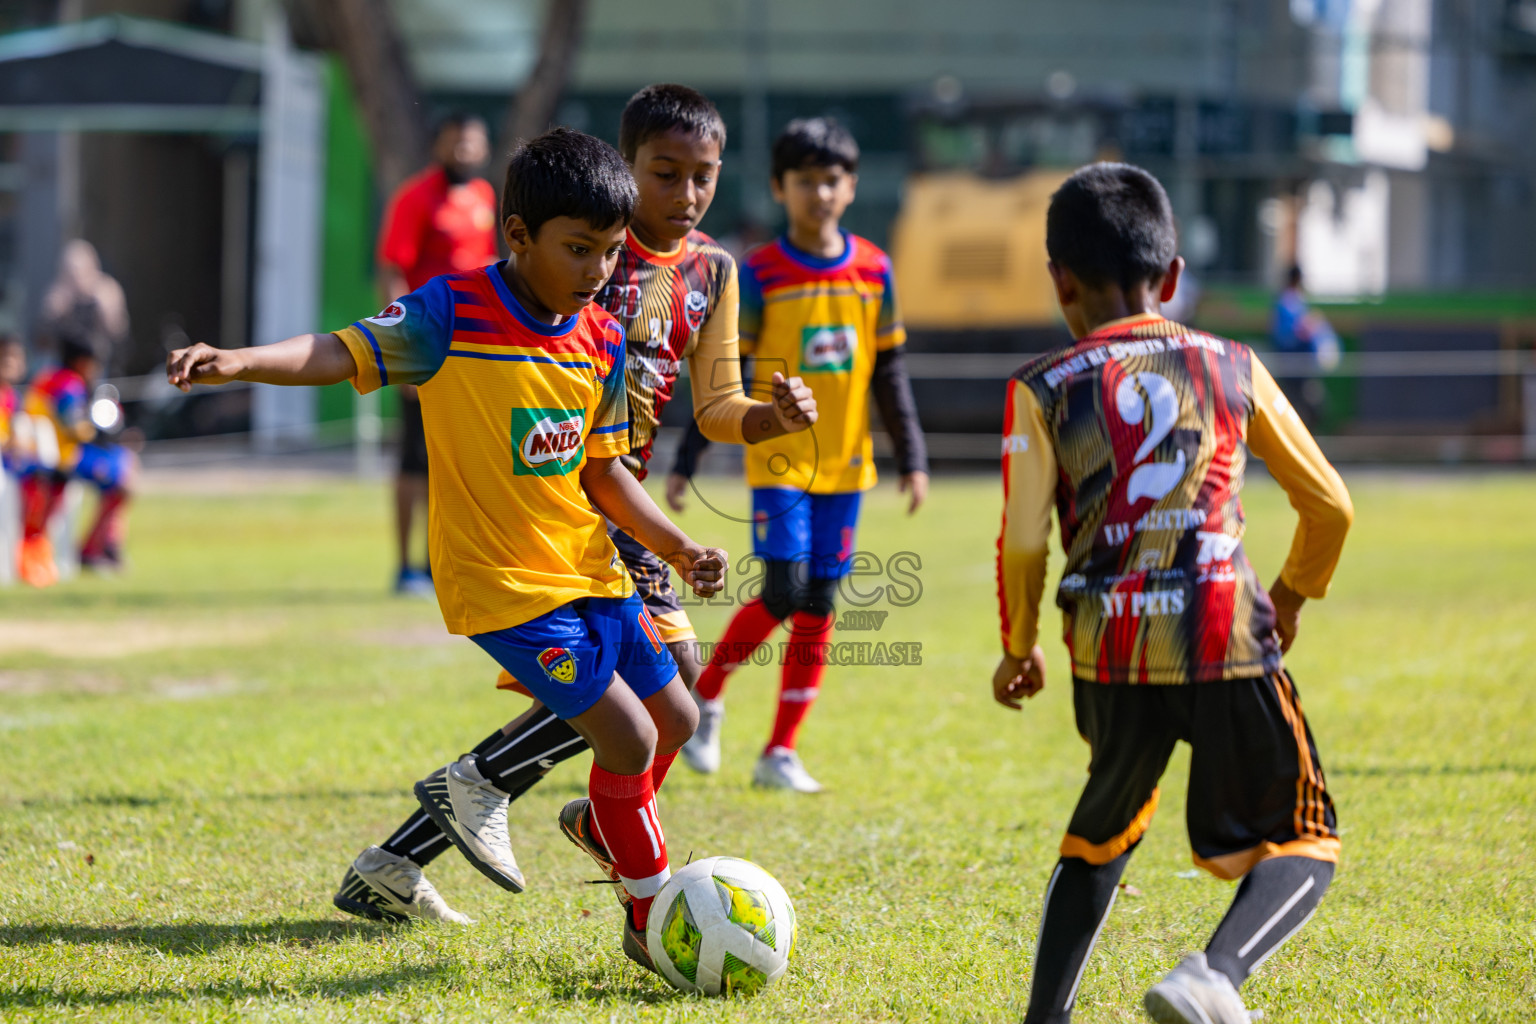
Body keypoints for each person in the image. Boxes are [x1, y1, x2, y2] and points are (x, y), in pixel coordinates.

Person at [166, 128, 813, 968]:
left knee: (678, 716)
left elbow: (605, 472)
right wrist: (239, 361)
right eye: (578, 250)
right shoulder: (449, 312)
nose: (597, 273)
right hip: (504, 585)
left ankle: (503, 834)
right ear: (518, 236)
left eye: (611, 254)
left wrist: (681, 545)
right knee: (629, 739)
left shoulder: (600, 339)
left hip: (592, 568)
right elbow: (338, 349)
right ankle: (650, 918)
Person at [340, 83, 819, 929]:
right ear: (626, 171)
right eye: (663, 175)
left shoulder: (711, 272)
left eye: (702, 176)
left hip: (618, 498)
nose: (685, 195)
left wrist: (769, 420)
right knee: (642, 703)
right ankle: (617, 870)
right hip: (565, 500)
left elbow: (715, 408)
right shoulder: (582, 243)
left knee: (638, 705)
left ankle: (400, 860)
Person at [994, 163, 1354, 1024]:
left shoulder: (1041, 386)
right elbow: (1331, 505)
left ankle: (1045, 1019)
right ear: (1176, 276)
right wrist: (1293, 595)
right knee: (1305, 838)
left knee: (1101, 833)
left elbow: (1023, 540)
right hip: (1222, 627)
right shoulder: (1232, 364)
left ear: (1059, 280)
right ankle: (1214, 975)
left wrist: (1018, 646)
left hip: (1106, 643)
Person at [674, 117, 929, 793]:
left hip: (847, 467)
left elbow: (890, 369)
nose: (821, 192)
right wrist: (686, 464)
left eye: (834, 179)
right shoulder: (756, 273)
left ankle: (779, 752)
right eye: (806, 180)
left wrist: (915, 457)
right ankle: (708, 693)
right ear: (779, 188)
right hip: (779, 464)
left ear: (852, 186)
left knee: (819, 602)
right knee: (784, 590)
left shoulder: (875, 268)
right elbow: (724, 375)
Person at [376, 112, 499, 596]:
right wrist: (401, 345)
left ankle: (441, 562)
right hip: (425, 342)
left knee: (461, 457)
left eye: (473, 143)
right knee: (413, 458)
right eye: (456, 143)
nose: (464, 152)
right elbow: (392, 271)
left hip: (471, 347)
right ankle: (404, 566)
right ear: (439, 146)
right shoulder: (415, 197)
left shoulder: (485, 197)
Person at [17, 336, 136, 585]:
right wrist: (98, 430)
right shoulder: (69, 383)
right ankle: (99, 546)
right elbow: (73, 425)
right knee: (124, 480)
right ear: (82, 362)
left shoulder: (48, 376)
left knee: (123, 462)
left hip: (43, 454)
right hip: (61, 458)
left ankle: (100, 545)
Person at [37, 239, 128, 370]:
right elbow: (41, 342)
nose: (77, 278)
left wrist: (105, 312)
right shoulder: (57, 292)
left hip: (101, 363)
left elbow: (120, 334)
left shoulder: (107, 289)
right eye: (70, 271)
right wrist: (52, 315)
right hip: (64, 364)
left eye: (81, 270)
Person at [1270, 264, 1340, 428]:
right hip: (1293, 365)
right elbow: (1284, 336)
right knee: (1297, 406)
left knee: (1309, 405)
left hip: (1302, 365)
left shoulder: (1294, 301)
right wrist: (1303, 329)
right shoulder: (1286, 303)